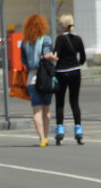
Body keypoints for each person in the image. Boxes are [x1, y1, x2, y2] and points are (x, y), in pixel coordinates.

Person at [20, 13, 57, 146]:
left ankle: (41, 138)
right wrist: (53, 58)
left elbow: (23, 61)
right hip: (45, 78)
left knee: (37, 110)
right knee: (47, 110)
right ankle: (46, 136)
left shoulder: (24, 42)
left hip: (32, 78)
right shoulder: (45, 39)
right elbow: (47, 54)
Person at [52, 14, 86, 145]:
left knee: (60, 102)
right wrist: (75, 62)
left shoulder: (60, 39)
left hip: (61, 72)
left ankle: (60, 130)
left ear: (63, 26)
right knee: (74, 101)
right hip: (75, 72)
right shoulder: (78, 39)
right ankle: (78, 129)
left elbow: (56, 55)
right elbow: (82, 59)